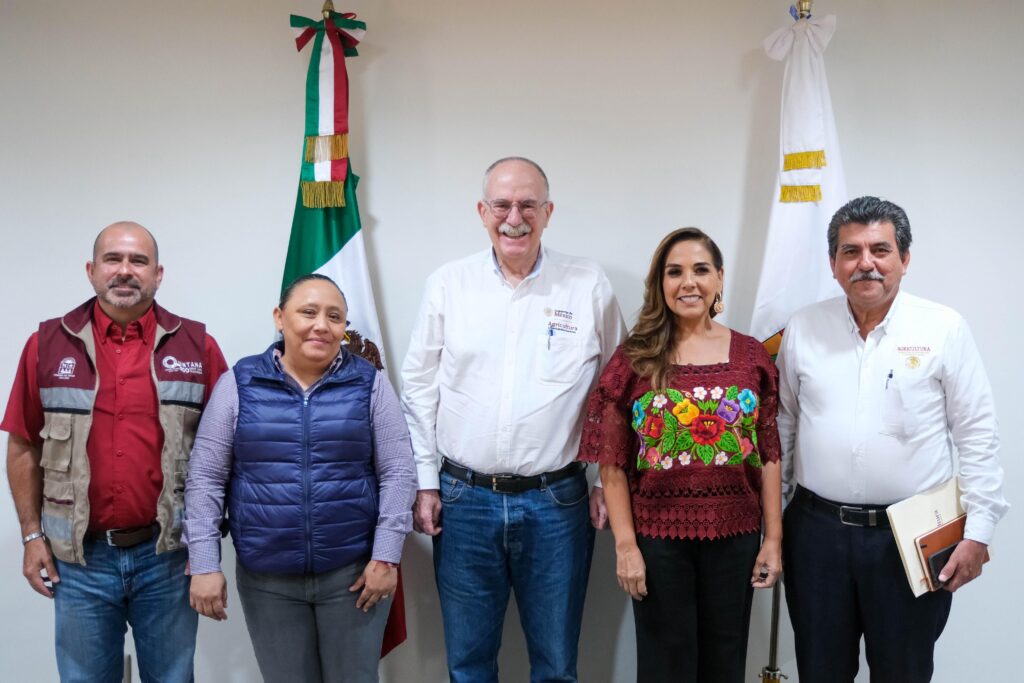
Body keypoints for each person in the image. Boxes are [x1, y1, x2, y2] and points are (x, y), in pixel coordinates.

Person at [400, 157, 625, 682]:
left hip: (558, 503)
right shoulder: (448, 284)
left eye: (528, 204)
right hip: (463, 501)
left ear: (549, 212)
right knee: (469, 665)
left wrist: (601, 480)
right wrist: (426, 482)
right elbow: (418, 387)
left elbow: (612, 391)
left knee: (555, 665)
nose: (514, 217)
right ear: (482, 212)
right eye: (502, 204)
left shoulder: (587, 283)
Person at [778, 196, 1009, 682]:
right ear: (833, 265)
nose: (866, 263)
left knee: (903, 672)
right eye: (851, 251)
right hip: (816, 535)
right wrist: (773, 529)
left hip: (913, 538)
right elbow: (783, 428)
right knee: (820, 671)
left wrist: (979, 531)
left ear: (904, 259)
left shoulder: (943, 328)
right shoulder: (803, 327)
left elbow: (978, 435)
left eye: (880, 250)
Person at [2, 221, 227, 682]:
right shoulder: (46, 345)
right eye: (113, 259)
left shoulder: (198, 347)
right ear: (91, 270)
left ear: (158, 274)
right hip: (79, 563)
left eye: (138, 261)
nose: (125, 271)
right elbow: (24, 444)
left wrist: (207, 553)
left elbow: (225, 455)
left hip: (167, 557)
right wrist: (31, 537)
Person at [183, 273, 416, 683]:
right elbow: (205, 477)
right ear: (279, 317)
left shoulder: (370, 385)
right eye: (308, 312)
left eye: (335, 316)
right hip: (267, 581)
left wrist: (386, 556)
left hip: (353, 576)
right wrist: (203, 563)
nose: (321, 325)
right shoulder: (239, 383)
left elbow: (398, 472)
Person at [579, 227, 782, 683]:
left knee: (725, 664)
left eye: (700, 270)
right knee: (663, 667)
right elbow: (612, 462)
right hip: (658, 542)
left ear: (720, 280)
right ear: (660, 284)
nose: (688, 282)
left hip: (737, 537)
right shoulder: (636, 357)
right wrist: (626, 546)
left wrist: (773, 539)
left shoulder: (750, 356)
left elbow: (769, 452)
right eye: (675, 272)